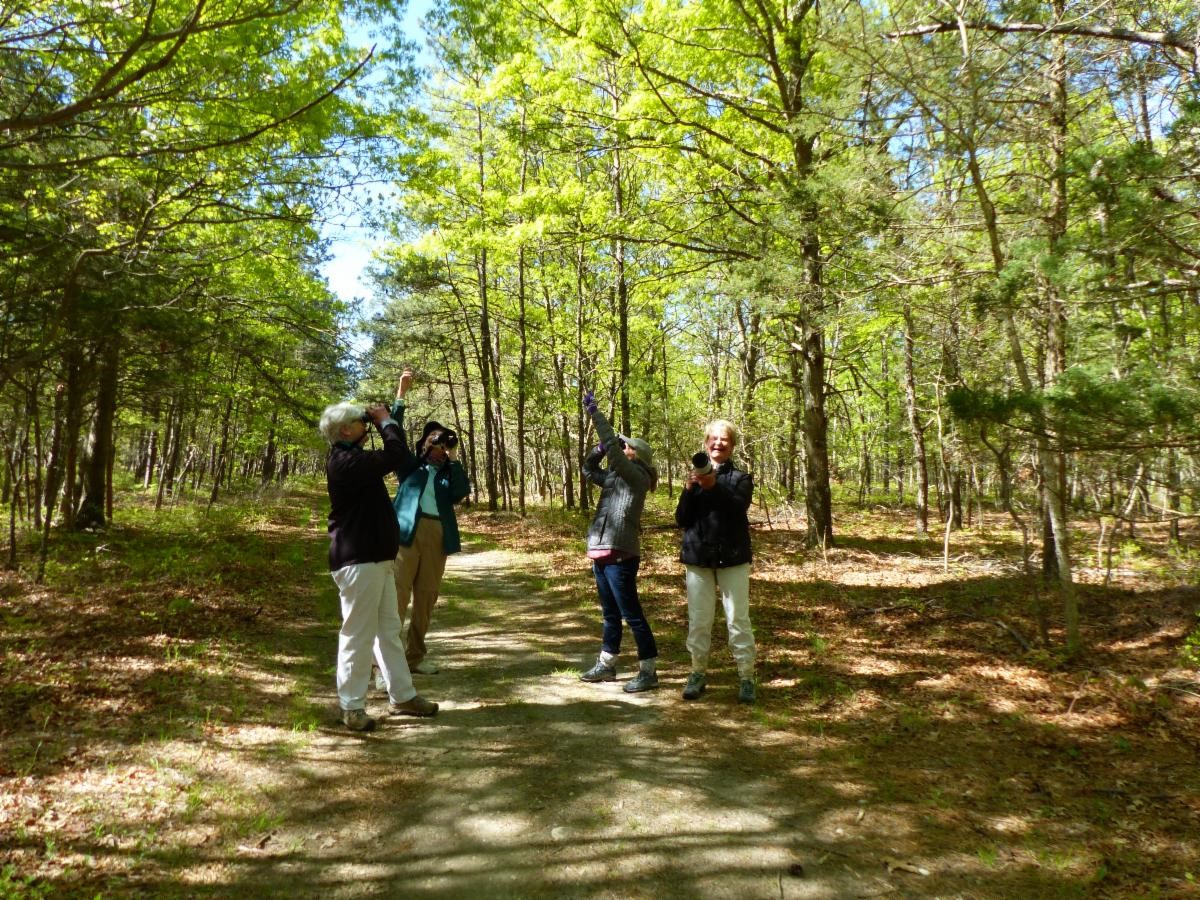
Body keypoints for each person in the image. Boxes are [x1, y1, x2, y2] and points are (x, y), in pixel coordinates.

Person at [319, 378, 438, 732]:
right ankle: (351, 706)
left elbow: (390, 445)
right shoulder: (344, 461)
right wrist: (384, 421)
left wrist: (387, 413)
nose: (364, 424)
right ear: (344, 430)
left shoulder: (353, 456)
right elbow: (396, 453)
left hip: (378, 560)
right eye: (358, 421)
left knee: (388, 629)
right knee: (358, 632)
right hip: (359, 560)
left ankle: (402, 695)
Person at [387, 374, 471, 675]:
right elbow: (393, 436)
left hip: (437, 535)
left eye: (443, 441)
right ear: (423, 444)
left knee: (426, 598)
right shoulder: (410, 466)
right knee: (396, 597)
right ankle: (387, 663)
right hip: (407, 533)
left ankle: (415, 657)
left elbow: (462, 492)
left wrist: (454, 456)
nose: (439, 445)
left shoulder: (450, 474)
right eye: (434, 440)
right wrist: (401, 395)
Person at [578, 389, 660, 692]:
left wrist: (596, 415)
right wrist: (598, 450)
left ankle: (648, 671)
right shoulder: (615, 477)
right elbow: (588, 470)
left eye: (625, 446)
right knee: (610, 613)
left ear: (634, 454)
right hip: (601, 552)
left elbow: (614, 449)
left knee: (631, 614)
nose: (620, 447)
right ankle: (607, 665)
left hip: (621, 555)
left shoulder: (636, 476)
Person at [674, 419, 757, 704]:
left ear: (732, 446)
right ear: (706, 443)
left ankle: (746, 676)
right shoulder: (695, 478)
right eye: (714, 439)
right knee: (699, 620)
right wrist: (689, 489)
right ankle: (697, 672)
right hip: (698, 558)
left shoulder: (741, 479)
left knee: (738, 620)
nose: (718, 443)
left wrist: (712, 486)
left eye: (725, 440)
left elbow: (737, 509)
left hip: (732, 558)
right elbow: (681, 520)